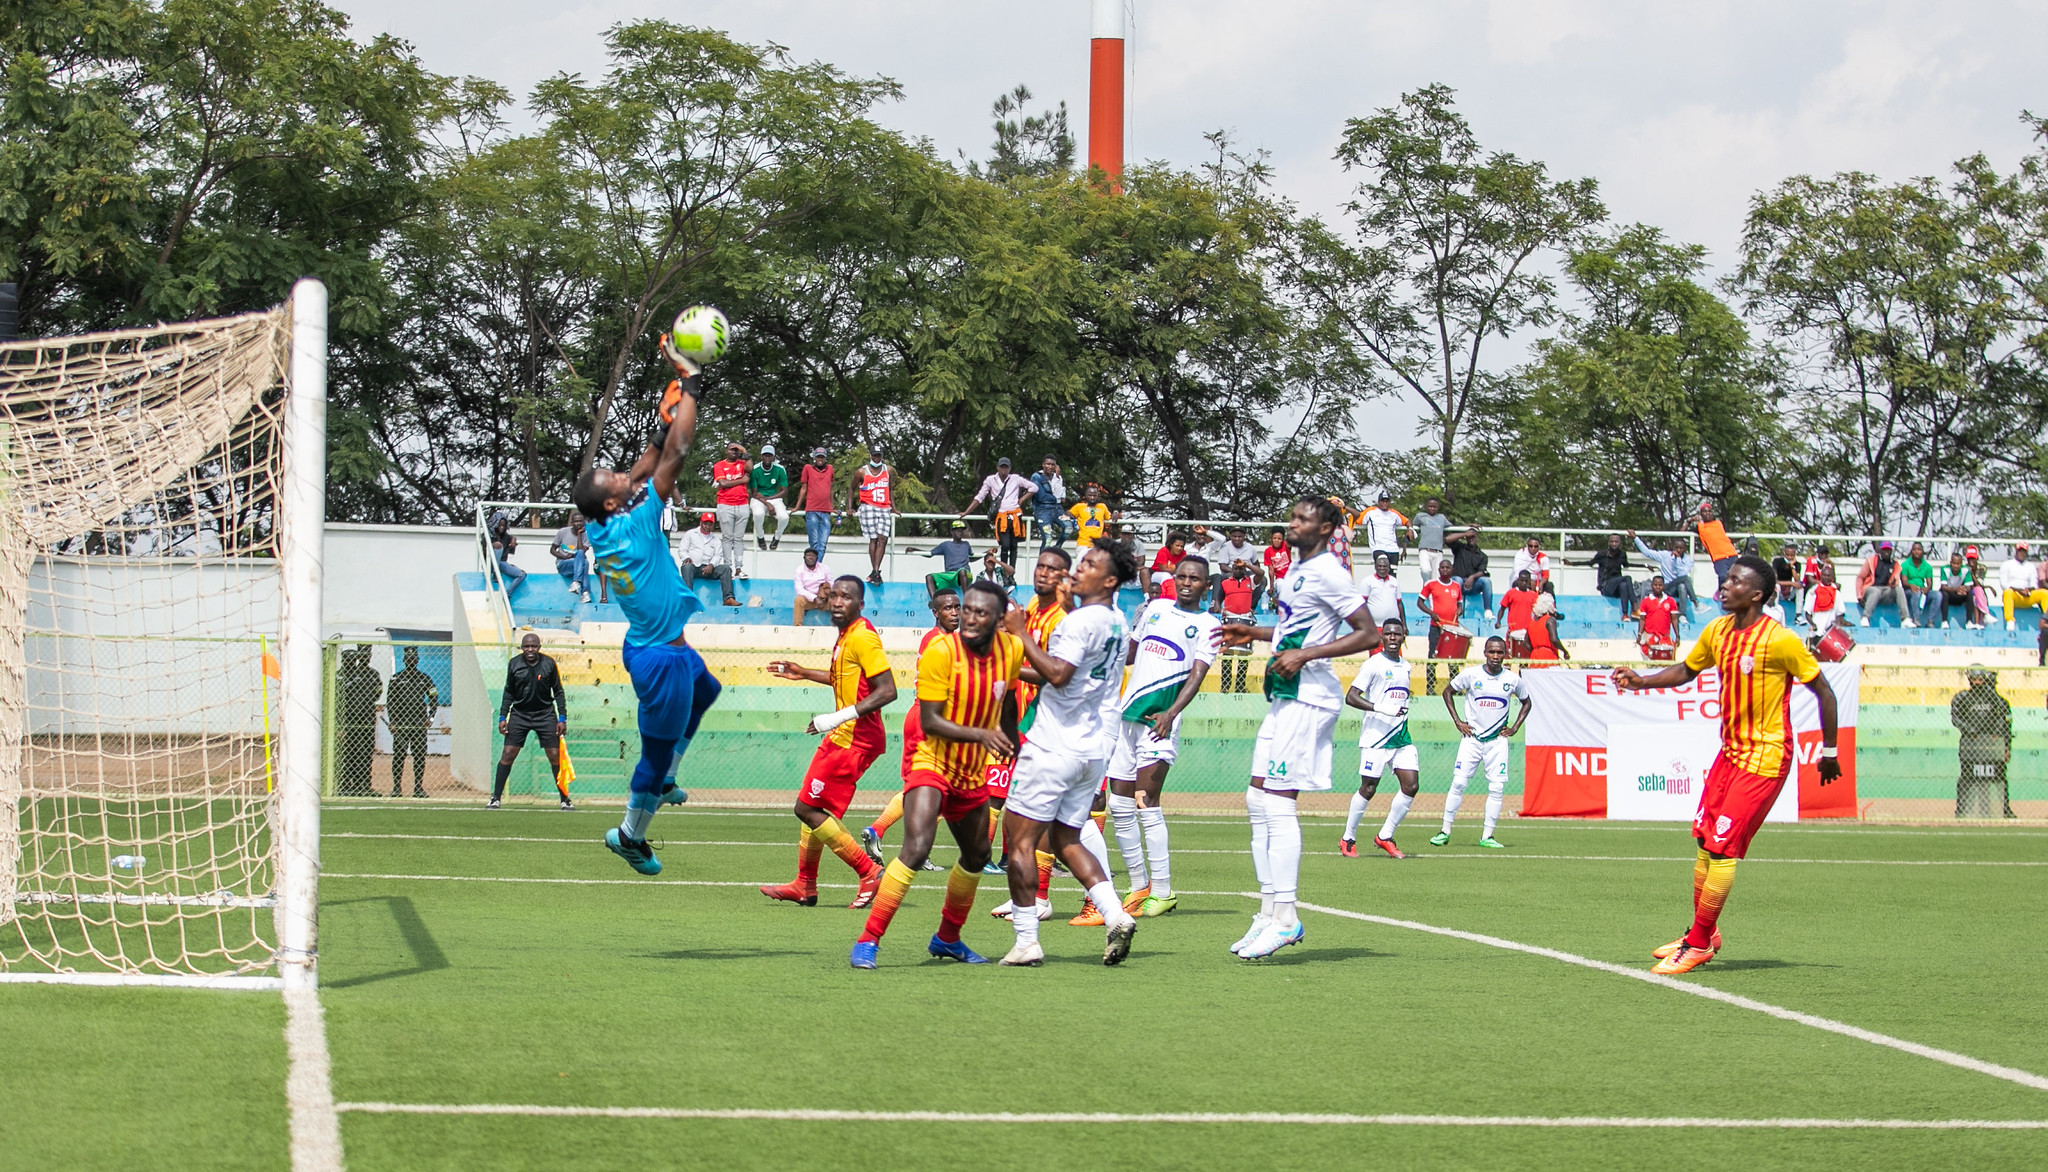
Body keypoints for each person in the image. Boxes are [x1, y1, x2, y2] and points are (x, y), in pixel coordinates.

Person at [1611, 555, 1841, 975]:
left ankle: (1697, 944)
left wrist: (1829, 752)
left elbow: (1824, 691)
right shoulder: (1717, 630)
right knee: (1703, 841)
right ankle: (1703, 932)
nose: (1724, 585)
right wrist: (1641, 681)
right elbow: (1687, 669)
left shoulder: (1780, 640)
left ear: (1755, 595)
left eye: (1734, 581)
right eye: (1726, 578)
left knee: (1721, 848)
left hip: (1766, 757)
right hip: (1730, 754)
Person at [571, 333, 720, 875]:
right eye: (612, 477)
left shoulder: (605, 523)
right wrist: (692, 383)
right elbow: (675, 454)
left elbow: (650, 458)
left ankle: (668, 777)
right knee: (653, 756)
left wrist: (667, 414)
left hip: (647, 644)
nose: (620, 472)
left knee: (709, 689)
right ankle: (630, 835)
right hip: (661, 658)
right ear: (614, 501)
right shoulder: (632, 524)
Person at [1219, 498, 1381, 960]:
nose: (1292, 523)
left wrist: (1305, 657)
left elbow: (1368, 634)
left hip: (1311, 698)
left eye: (1303, 518)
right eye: (1291, 516)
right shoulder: (1295, 570)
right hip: (1286, 695)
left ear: (1328, 528)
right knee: (1257, 797)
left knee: (1278, 798)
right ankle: (1269, 910)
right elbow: (1296, 630)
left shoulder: (1330, 570)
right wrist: (1253, 634)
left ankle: (1287, 919)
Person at [848, 580, 1018, 969]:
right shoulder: (942, 651)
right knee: (917, 846)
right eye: (967, 609)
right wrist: (984, 735)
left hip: (973, 770)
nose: (970, 617)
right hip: (933, 760)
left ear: (998, 619)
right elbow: (931, 720)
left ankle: (947, 938)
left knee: (977, 856)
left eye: (980, 612)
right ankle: (868, 939)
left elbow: (1007, 702)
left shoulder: (1011, 649)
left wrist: (1013, 747)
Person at [997, 542, 1140, 967]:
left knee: (1019, 840)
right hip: (1091, 747)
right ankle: (1115, 914)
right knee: (1066, 838)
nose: (1078, 570)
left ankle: (1027, 941)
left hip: (1053, 744)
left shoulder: (1077, 623)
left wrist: (1019, 633)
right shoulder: (1117, 620)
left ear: (1110, 580)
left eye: (1090, 565)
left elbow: (1058, 675)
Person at [760, 576, 895, 909]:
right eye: (833, 595)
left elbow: (888, 690)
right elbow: (845, 679)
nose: (837, 601)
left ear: (859, 604)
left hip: (855, 738)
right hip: (846, 734)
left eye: (846, 597)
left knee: (806, 808)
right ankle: (804, 885)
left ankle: (868, 872)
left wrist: (835, 718)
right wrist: (805, 672)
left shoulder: (863, 635)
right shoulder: (846, 636)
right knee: (815, 807)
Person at [1105, 554, 1220, 920]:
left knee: (1145, 802)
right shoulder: (1154, 607)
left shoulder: (1208, 625)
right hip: (1127, 717)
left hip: (1160, 721)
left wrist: (1172, 713)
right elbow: (1131, 652)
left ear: (1205, 585)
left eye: (1194, 579)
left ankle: (1165, 890)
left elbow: (1197, 675)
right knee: (1119, 804)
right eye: (1181, 576)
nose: (1186, 582)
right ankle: (1138, 886)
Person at [860, 589, 961, 863]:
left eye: (957, 607)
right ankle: (916, 848)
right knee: (937, 787)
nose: (954, 612)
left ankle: (880, 830)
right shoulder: (940, 642)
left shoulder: (944, 640)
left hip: (926, 715)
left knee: (931, 786)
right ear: (935, 613)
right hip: (930, 717)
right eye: (948, 608)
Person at [1430, 637, 1530, 848]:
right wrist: (1458, 722)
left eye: (1500, 652)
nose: (1495, 656)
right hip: (1472, 739)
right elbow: (1448, 691)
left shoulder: (1512, 680)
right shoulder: (1471, 675)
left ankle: (1487, 836)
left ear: (1505, 654)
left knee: (1496, 788)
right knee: (1458, 783)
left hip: (1497, 742)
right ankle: (1444, 831)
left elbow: (1526, 702)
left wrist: (1514, 728)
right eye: (1492, 652)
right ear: (1485, 652)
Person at [1341, 617, 1419, 860]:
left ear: (1403, 636)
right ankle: (1348, 838)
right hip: (1376, 737)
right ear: (1381, 637)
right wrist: (1380, 708)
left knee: (1411, 785)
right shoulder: (1373, 664)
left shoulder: (1406, 665)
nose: (1393, 638)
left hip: (1400, 736)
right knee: (1369, 788)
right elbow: (1351, 697)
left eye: (1397, 634)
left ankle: (1385, 836)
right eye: (1388, 634)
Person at [489, 633, 572, 809]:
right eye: (526, 646)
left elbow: (558, 692)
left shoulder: (549, 664)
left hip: (545, 714)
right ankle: (495, 798)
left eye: (533, 646)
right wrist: (503, 716)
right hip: (520, 714)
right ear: (522, 647)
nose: (530, 649)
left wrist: (562, 717)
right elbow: (508, 692)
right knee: (508, 754)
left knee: (555, 756)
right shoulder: (514, 664)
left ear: (539, 647)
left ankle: (565, 799)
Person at [1950, 668, 2014, 819]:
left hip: (1992, 746)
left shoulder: (1999, 702)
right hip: (1971, 746)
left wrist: (2005, 744)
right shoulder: (1963, 698)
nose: (1988, 685)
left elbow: (2006, 722)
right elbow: (1955, 718)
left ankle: (2004, 809)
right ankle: (1962, 809)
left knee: (1998, 777)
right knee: (1967, 777)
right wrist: (1969, 730)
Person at [960, 457, 1034, 569]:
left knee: (1014, 546)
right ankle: (1004, 570)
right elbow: (980, 496)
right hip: (1001, 517)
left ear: (1010, 468)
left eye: (1006, 467)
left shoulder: (1015, 479)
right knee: (1005, 546)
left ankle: (1011, 572)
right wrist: (966, 512)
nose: (1004, 469)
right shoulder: (991, 480)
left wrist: (1022, 499)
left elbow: (1034, 487)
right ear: (997, 467)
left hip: (1015, 516)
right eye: (1002, 467)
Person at [386, 646, 439, 798]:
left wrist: (431, 718)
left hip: (419, 724)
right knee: (399, 755)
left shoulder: (425, 678)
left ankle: (418, 788)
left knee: (419, 756)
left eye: (414, 659)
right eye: (408, 659)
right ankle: (397, 788)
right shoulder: (396, 678)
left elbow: (434, 698)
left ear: (417, 660)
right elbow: (391, 702)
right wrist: (393, 721)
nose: (411, 661)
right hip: (402, 724)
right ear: (404, 660)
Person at [336, 645, 381, 797]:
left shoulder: (371, 674)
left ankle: (363, 785)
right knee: (348, 754)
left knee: (366, 753)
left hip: (366, 720)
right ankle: (345, 785)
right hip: (347, 721)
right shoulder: (340, 676)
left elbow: (377, 694)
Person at [1418, 557, 1464, 690]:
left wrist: (1460, 609)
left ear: (1452, 570)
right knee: (1433, 655)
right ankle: (1430, 686)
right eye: (1442, 567)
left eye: (1447, 567)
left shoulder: (1456, 586)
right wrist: (1431, 613)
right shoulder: (1431, 584)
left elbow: (1459, 602)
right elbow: (1420, 602)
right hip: (1436, 627)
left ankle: (1455, 687)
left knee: (1453, 659)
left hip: (1452, 628)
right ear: (1438, 570)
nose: (1445, 570)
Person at [1631, 531, 1699, 621]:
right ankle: (1695, 602)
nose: (1678, 550)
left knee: (1682, 585)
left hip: (1679, 590)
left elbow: (1681, 574)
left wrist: (1678, 559)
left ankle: (1682, 615)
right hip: (1667, 588)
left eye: (1681, 548)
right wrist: (1635, 538)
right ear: (1672, 547)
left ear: (1685, 549)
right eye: (1676, 548)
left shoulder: (1688, 560)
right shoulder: (1665, 555)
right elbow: (1647, 552)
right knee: (1686, 579)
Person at [676, 511, 739, 607]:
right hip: (694, 566)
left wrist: (711, 565)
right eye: (705, 524)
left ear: (713, 526)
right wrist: (686, 558)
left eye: (710, 524)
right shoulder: (691, 534)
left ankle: (728, 598)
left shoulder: (716, 540)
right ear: (700, 523)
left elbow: (718, 555)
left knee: (725, 569)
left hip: (708, 568)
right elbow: (682, 549)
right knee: (687, 567)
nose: (707, 526)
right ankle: (688, 599)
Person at [710, 440, 752, 580]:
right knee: (727, 538)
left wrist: (745, 452)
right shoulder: (720, 465)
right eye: (731, 449)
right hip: (725, 504)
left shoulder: (742, 463)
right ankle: (727, 568)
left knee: (739, 538)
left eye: (736, 450)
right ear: (726, 451)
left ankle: (739, 569)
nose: (734, 452)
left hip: (742, 504)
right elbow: (723, 483)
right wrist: (741, 481)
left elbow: (750, 469)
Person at [1571, 533, 1637, 618]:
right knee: (1627, 578)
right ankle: (1634, 606)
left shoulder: (1622, 554)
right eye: (1612, 541)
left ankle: (1625, 615)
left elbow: (1628, 565)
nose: (1614, 544)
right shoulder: (1602, 554)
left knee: (1623, 585)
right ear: (1609, 543)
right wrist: (1572, 563)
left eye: (1616, 541)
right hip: (1606, 587)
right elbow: (1590, 563)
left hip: (1616, 589)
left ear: (1619, 543)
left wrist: (1646, 566)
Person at [855, 452, 895, 585]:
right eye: (874, 456)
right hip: (868, 506)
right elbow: (851, 489)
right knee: (874, 539)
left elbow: (890, 489)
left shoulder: (888, 470)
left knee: (883, 538)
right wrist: (850, 507)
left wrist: (893, 507)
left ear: (882, 456)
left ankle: (875, 571)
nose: (876, 458)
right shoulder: (862, 471)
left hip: (884, 507)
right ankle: (875, 571)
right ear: (870, 456)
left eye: (879, 456)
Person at [1856, 541, 1912, 627]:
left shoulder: (1895, 564)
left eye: (1888, 550)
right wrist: (1859, 595)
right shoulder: (1871, 561)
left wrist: (1893, 582)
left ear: (1891, 551)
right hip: (1871, 589)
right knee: (1875, 591)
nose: (1886, 552)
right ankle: (1865, 617)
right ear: (1880, 551)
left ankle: (1905, 619)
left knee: (1899, 589)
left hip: (1885, 591)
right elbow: (1860, 577)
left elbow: (1894, 582)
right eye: (1884, 550)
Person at [748, 443, 790, 551]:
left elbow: (784, 491)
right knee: (758, 514)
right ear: (761, 456)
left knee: (784, 517)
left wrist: (769, 500)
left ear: (773, 457)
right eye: (765, 455)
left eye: (769, 455)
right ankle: (760, 537)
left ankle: (777, 538)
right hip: (758, 499)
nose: (767, 458)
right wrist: (768, 504)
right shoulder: (755, 469)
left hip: (774, 498)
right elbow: (754, 493)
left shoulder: (780, 469)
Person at [1689, 500, 1738, 590]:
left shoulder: (1719, 523)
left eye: (1709, 511)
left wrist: (1744, 537)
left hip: (1731, 554)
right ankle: (1721, 599)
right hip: (1718, 557)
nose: (1707, 513)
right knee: (1723, 577)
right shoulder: (1699, 527)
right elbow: (1681, 533)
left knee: (1736, 578)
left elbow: (1725, 538)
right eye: (1705, 511)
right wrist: (1689, 521)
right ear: (1701, 514)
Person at [1999, 543, 2048, 630]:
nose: (2022, 553)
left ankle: (2046, 619)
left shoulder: (2030, 566)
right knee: (2007, 592)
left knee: (2044, 593)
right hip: (2014, 595)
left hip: (2027, 595)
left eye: (2024, 551)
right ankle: (2010, 621)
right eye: (2020, 551)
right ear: (2016, 551)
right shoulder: (2006, 564)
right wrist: (2019, 590)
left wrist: (2027, 590)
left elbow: (2034, 584)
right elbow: (2004, 584)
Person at [798, 447, 836, 558]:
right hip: (812, 510)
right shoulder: (808, 468)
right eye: (818, 457)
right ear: (814, 458)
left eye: (822, 457)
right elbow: (803, 488)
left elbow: (830, 489)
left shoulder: (830, 468)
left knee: (822, 544)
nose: (820, 459)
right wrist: (797, 507)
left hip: (826, 511)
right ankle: (815, 570)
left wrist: (832, 506)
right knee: (814, 544)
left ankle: (816, 568)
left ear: (825, 458)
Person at [922, 521, 975, 598]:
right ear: (952, 532)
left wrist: (986, 552)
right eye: (958, 530)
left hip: (964, 574)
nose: (960, 533)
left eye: (962, 531)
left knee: (962, 571)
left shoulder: (966, 544)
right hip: (950, 575)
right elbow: (930, 554)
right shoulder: (945, 545)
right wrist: (915, 550)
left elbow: (971, 559)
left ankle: (967, 599)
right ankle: (934, 601)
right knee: (929, 577)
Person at [551, 513, 595, 602]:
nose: (578, 523)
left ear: (584, 523)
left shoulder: (586, 536)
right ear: (572, 523)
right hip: (563, 564)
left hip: (576, 567)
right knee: (584, 562)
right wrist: (564, 557)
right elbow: (552, 550)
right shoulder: (563, 532)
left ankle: (578, 586)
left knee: (584, 560)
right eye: (576, 521)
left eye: (580, 521)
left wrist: (579, 535)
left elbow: (581, 551)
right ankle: (584, 591)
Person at [1449, 526, 1493, 619]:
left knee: (1486, 581)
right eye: (1469, 537)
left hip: (1473, 585)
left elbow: (1482, 571)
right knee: (1458, 579)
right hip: (1458, 585)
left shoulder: (1482, 556)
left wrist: (1472, 577)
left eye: (1473, 537)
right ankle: (1455, 608)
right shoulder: (1459, 548)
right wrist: (1465, 533)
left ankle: (1488, 611)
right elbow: (1447, 539)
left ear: (1477, 538)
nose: (1471, 539)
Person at [1635, 574, 1683, 656]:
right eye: (1655, 585)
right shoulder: (1645, 601)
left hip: (1665, 638)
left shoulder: (1670, 601)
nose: (1658, 587)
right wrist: (1639, 634)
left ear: (1664, 586)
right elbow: (1642, 619)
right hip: (1649, 637)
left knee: (1665, 663)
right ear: (1652, 586)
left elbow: (1674, 619)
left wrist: (1677, 635)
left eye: (1660, 585)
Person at [1497, 569, 1540, 658]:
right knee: (1509, 655)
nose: (1524, 583)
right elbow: (1502, 609)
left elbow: (1537, 613)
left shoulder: (1534, 595)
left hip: (1527, 632)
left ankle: (1522, 671)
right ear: (1518, 580)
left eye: (1526, 581)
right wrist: (1498, 621)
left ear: (1529, 581)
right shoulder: (1511, 593)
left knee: (1525, 657)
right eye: (1522, 580)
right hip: (1513, 630)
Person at [1940, 548, 1986, 629]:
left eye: (1958, 564)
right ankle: (1944, 621)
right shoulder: (1944, 569)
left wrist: (1964, 590)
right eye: (1954, 563)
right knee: (1944, 594)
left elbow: (1969, 587)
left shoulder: (1965, 569)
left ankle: (1969, 622)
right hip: (1950, 595)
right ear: (1950, 563)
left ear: (1961, 564)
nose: (1956, 566)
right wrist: (1956, 589)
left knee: (1970, 594)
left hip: (1960, 594)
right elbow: (1943, 587)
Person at [1029, 455, 1067, 552]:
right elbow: (1041, 497)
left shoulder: (1058, 478)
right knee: (1048, 538)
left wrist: (1058, 477)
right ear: (1043, 465)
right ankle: (1041, 564)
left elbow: (1062, 499)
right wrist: (1056, 498)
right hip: (1042, 510)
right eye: (1048, 464)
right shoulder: (1036, 476)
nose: (1050, 466)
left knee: (1069, 527)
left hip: (1057, 509)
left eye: (1052, 465)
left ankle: (1057, 548)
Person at [1358, 491, 1407, 564]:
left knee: (1392, 574)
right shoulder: (1370, 512)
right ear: (1378, 502)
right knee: (1382, 570)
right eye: (1383, 501)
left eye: (1387, 501)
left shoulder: (1394, 514)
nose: (1385, 503)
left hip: (1393, 549)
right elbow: (1357, 519)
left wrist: (1410, 529)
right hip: (1378, 548)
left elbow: (1406, 521)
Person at [1527, 582, 1569, 663]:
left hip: (1534, 657)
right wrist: (1564, 651)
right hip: (1548, 657)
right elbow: (1554, 640)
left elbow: (1525, 643)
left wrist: (1535, 651)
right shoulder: (1550, 620)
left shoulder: (1531, 622)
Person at [1900, 541, 1938, 628]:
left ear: (1922, 552)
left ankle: (1930, 621)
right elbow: (1904, 582)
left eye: (1919, 549)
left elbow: (1929, 583)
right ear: (1911, 551)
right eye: (1915, 549)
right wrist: (1911, 585)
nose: (1917, 552)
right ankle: (1916, 619)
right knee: (1916, 592)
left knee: (1938, 595)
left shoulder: (1927, 566)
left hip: (1921, 590)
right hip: (1909, 590)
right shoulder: (1905, 564)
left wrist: (1926, 589)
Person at [488, 511, 526, 597]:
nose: (501, 527)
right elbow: (484, 551)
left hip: (502, 563)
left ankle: (507, 594)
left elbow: (512, 539)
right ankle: (495, 572)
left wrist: (514, 539)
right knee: (498, 546)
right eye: (499, 525)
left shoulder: (506, 537)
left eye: (503, 525)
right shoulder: (488, 535)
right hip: (491, 564)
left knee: (521, 575)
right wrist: (494, 546)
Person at [791, 547, 833, 625]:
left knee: (840, 601)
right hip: (809, 600)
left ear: (817, 558)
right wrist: (815, 598)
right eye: (808, 555)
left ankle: (842, 628)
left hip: (824, 600)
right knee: (798, 600)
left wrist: (825, 594)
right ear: (804, 558)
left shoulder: (824, 568)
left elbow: (831, 583)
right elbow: (799, 589)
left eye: (813, 555)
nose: (811, 557)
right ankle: (797, 627)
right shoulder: (799, 570)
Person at [1801, 560, 1845, 634]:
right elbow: (1807, 613)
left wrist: (1836, 624)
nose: (1826, 578)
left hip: (1830, 632)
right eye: (1824, 575)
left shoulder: (1837, 593)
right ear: (1821, 576)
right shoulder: (1813, 592)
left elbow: (1840, 613)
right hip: (1816, 631)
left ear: (1832, 578)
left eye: (1828, 576)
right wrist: (1813, 624)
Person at [1362, 552, 1403, 629]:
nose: (1382, 568)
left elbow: (1399, 604)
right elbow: (1362, 605)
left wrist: (1404, 624)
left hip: (1392, 627)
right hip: (1374, 626)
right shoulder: (1367, 581)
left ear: (1388, 568)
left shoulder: (1394, 581)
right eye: (1379, 566)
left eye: (1385, 566)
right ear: (1375, 567)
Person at [1411, 498, 1451, 579]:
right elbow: (1411, 530)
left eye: (1434, 507)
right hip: (1425, 550)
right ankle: (1426, 587)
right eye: (1430, 506)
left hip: (1438, 552)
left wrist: (1470, 525)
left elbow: (1452, 527)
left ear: (1437, 508)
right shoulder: (1420, 516)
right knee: (1426, 570)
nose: (1432, 508)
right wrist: (1405, 544)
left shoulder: (1441, 517)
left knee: (1437, 578)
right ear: (1426, 506)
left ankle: (1431, 590)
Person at [1068, 483, 1113, 549]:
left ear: (1098, 496)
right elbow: (1068, 512)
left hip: (1097, 544)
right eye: (1090, 495)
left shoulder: (1102, 507)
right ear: (1086, 496)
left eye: (1094, 495)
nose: (1092, 497)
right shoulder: (1079, 506)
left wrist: (1115, 512)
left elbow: (1109, 517)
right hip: (1083, 543)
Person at [1261, 528, 1292, 612]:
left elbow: (1291, 541)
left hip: (1290, 577)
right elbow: (1271, 570)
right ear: (1271, 538)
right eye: (1274, 538)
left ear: (1283, 540)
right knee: (1281, 584)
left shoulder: (1286, 546)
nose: (1277, 541)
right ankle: (1280, 606)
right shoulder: (1268, 551)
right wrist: (1271, 586)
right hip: (1279, 579)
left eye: (1279, 539)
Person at [1149, 532, 1188, 599]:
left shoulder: (1183, 553)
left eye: (1181, 546)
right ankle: (1168, 598)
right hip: (1157, 574)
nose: (1180, 548)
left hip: (1173, 574)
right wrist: (1177, 568)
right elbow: (1163, 569)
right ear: (1171, 545)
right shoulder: (1163, 551)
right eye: (1177, 545)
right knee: (1166, 575)